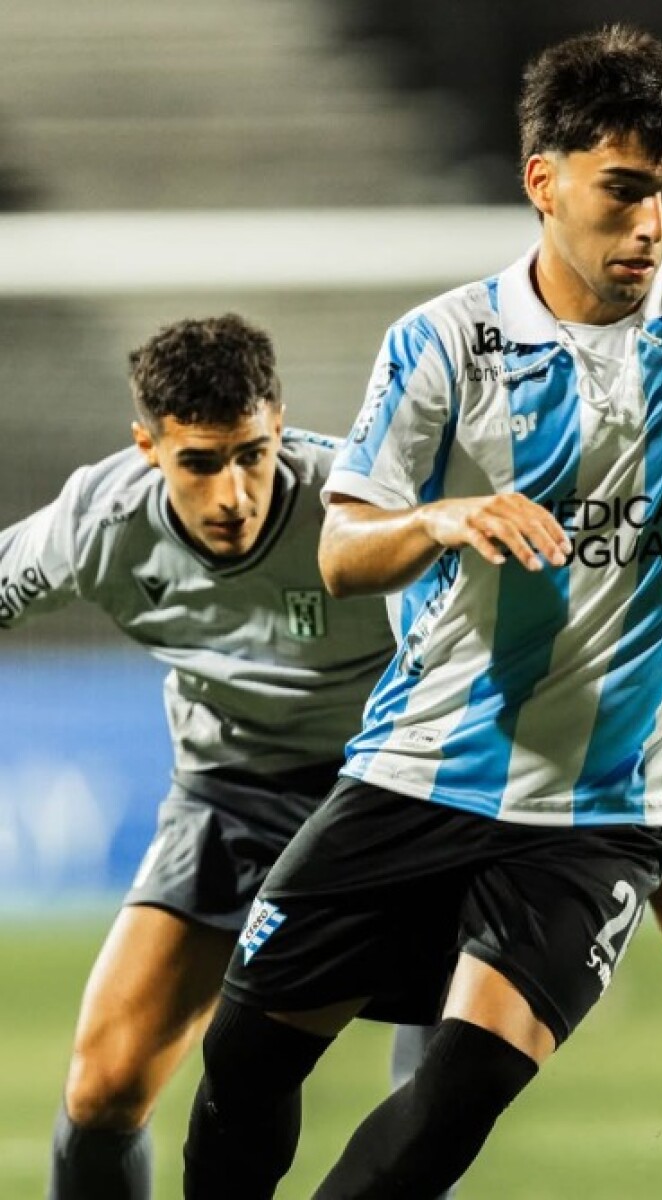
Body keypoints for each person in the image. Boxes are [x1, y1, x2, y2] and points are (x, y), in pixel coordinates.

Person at [182, 24, 662, 1200]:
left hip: (602, 817)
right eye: (624, 190)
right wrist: (442, 522)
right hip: (418, 773)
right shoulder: (443, 347)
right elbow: (340, 551)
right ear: (545, 181)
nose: (651, 225)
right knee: (241, 1066)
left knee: (443, 1118)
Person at [0, 313, 453, 1200]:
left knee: (440, 1090)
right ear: (148, 448)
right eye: (200, 464)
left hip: (392, 789)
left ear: (279, 424)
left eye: (251, 453)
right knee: (102, 1087)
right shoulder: (100, 522)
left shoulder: (358, 508)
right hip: (230, 794)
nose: (233, 494)